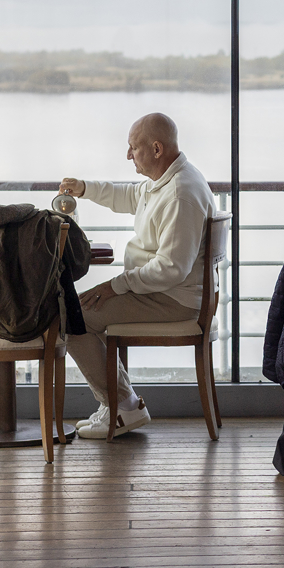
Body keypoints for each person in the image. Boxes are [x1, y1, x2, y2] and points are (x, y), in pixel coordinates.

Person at [58, 113, 215, 440]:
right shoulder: (166, 180)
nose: (128, 155)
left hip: (174, 300)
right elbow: (130, 196)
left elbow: (171, 268)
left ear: (156, 149)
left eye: (134, 148)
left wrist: (116, 285)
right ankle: (120, 403)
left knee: (70, 316)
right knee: (83, 309)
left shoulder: (180, 193)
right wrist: (85, 189)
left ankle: (123, 405)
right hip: (164, 292)